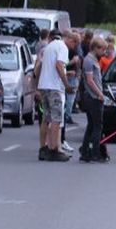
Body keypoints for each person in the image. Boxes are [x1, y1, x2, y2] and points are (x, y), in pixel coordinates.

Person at [34, 30, 75, 161]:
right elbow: (58, 65)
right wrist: (66, 84)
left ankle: (43, 148)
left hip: (44, 86)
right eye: (73, 42)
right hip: (54, 88)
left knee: (46, 118)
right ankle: (54, 149)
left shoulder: (48, 47)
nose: (73, 46)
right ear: (67, 39)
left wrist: (37, 86)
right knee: (56, 119)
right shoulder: (62, 47)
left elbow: (41, 67)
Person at [80, 38, 109, 163]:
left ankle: (85, 150)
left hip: (93, 96)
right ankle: (95, 152)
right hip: (93, 97)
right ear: (95, 48)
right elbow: (90, 80)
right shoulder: (89, 60)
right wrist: (99, 94)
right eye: (102, 49)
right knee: (98, 126)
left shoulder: (92, 60)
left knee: (91, 125)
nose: (104, 52)